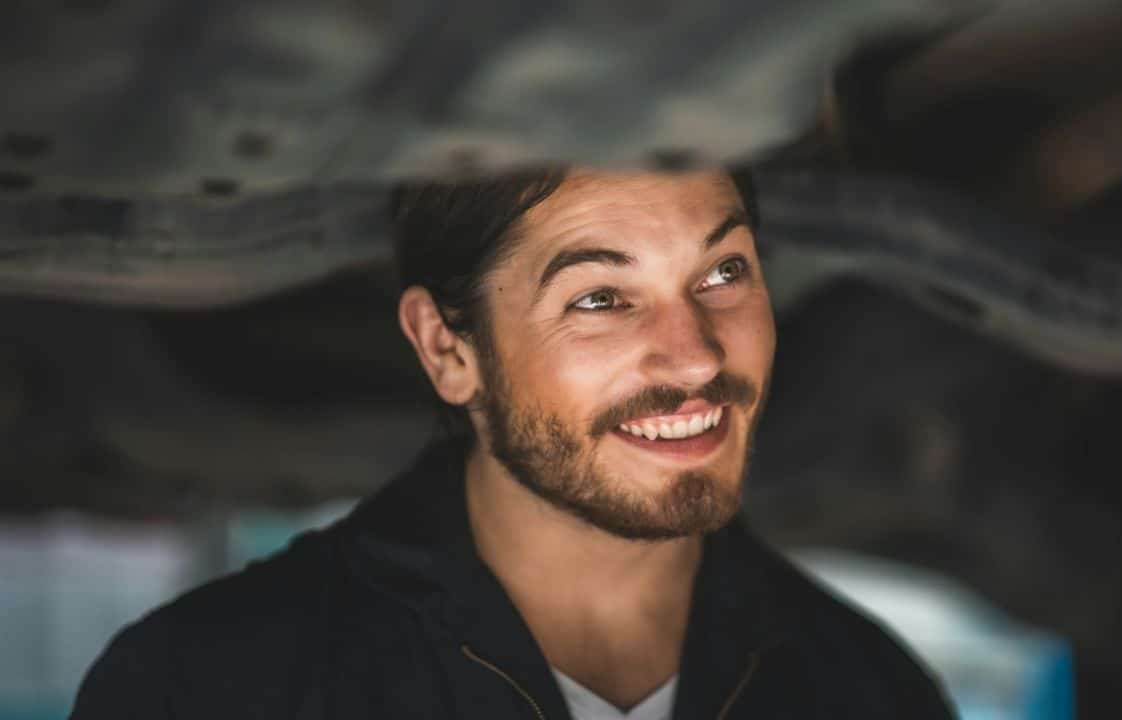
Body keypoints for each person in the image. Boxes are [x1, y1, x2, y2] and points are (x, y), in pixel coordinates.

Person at [72, 168, 954, 719]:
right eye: (601, 298)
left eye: (723, 273)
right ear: (449, 350)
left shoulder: (872, 693)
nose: (696, 358)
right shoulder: (206, 690)